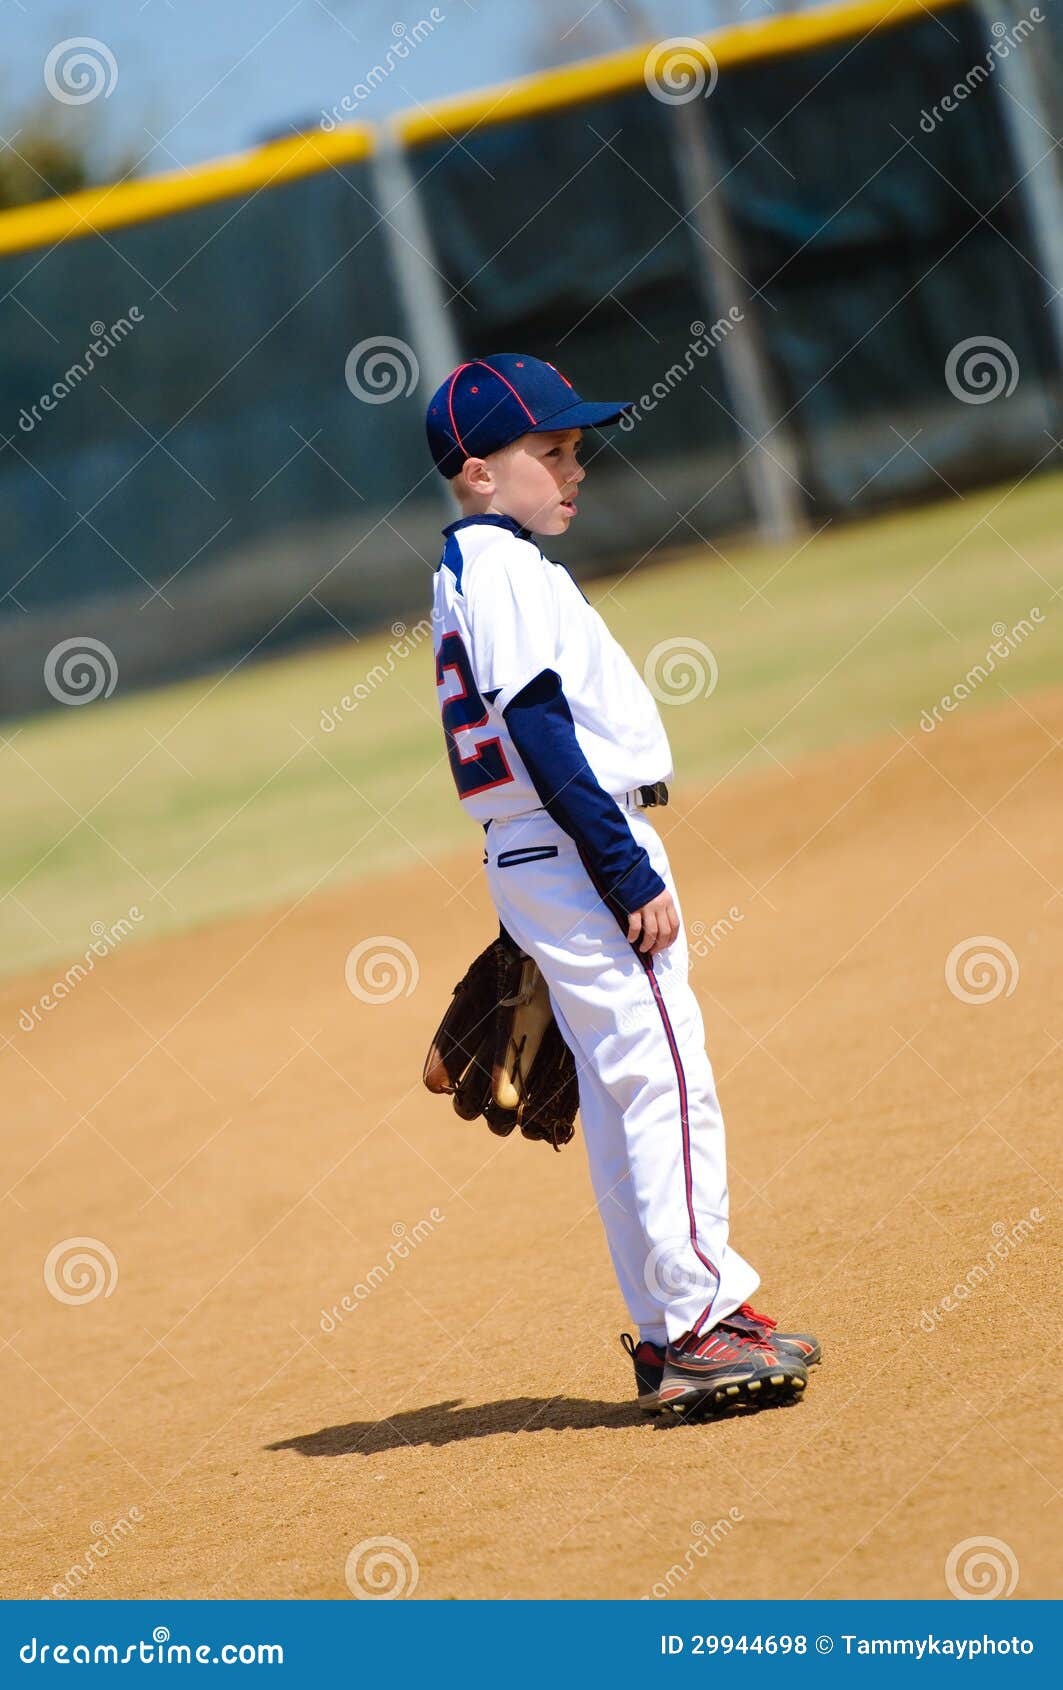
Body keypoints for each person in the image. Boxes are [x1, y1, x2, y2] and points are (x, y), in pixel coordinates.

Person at [425, 353, 819, 1418]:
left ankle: (669, 1326)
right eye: (546, 452)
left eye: (574, 449)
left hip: (536, 849)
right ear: (475, 472)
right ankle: (701, 1323)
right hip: (574, 840)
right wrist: (620, 860)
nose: (572, 468)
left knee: (619, 1089)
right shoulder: (501, 569)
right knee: (665, 1074)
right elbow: (539, 724)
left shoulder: (481, 569)